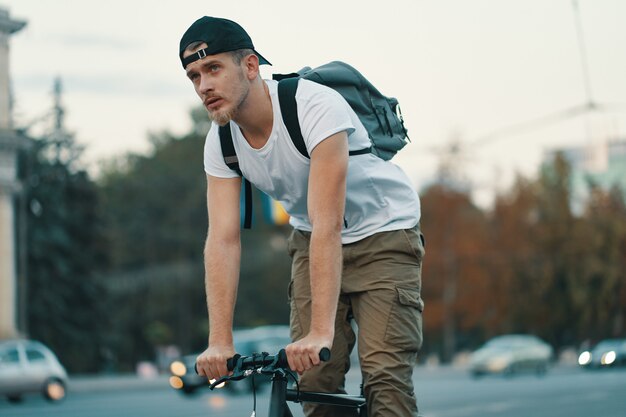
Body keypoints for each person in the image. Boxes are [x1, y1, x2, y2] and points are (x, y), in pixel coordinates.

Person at [181, 16, 425, 417]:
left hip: (384, 236)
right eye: (193, 76)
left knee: (385, 380)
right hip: (312, 242)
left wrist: (320, 331)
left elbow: (328, 220)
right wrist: (220, 341)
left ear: (250, 66)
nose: (204, 85)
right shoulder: (221, 142)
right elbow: (223, 240)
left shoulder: (313, 106)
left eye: (213, 68)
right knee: (313, 382)